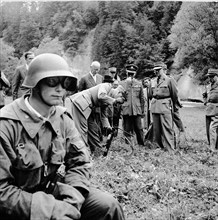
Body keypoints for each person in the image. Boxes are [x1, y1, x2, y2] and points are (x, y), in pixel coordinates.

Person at [0, 53, 125, 220]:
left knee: (107, 206)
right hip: (17, 204)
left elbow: (80, 162)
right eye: (52, 82)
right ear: (35, 84)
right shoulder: (6, 124)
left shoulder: (63, 119)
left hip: (50, 189)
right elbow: (2, 191)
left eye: (65, 83)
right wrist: (50, 210)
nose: (60, 89)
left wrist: (71, 201)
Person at [64, 74, 125, 154]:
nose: (117, 101)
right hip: (80, 103)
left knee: (93, 128)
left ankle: (97, 151)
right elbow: (101, 96)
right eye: (119, 97)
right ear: (118, 91)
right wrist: (115, 100)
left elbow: (103, 116)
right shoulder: (107, 86)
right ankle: (81, 154)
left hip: (88, 107)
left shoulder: (108, 100)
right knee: (83, 130)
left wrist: (109, 127)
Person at [149, 61, 179, 151]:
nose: (156, 72)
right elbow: (150, 94)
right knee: (156, 130)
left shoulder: (169, 80)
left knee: (167, 128)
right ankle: (160, 147)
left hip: (165, 106)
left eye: (158, 70)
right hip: (155, 107)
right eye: (155, 70)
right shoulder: (153, 81)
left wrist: (174, 107)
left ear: (164, 70)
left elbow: (175, 94)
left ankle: (170, 149)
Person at [78, 61, 104, 150]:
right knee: (89, 127)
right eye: (95, 69)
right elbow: (79, 93)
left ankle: (98, 144)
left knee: (98, 126)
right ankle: (89, 145)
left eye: (98, 70)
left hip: (98, 107)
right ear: (91, 67)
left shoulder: (101, 78)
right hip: (87, 108)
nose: (96, 71)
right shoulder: (84, 79)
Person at [120, 64, 145, 146]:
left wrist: (142, 110)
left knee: (139, 128)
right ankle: (128, 145)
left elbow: (142, 98)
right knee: (127, 129)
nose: (131, 75)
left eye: (132, 73)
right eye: (129, 73)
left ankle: (141, 144)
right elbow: (120, 97)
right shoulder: (122, 83)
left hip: (136, 110)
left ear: (135, 73)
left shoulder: (139, 83)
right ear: (126, 73)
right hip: (126, 109)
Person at [202, 68, 218, 151]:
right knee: (209, 129)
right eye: (209, 77)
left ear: (216, 76)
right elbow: (204, 95)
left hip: (216, 110)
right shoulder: (208, 86)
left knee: (212, 129)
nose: (210, 78)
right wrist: (205, 102)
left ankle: (212, 149)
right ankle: (212, 146)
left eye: (212, 76)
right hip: (208, 110)